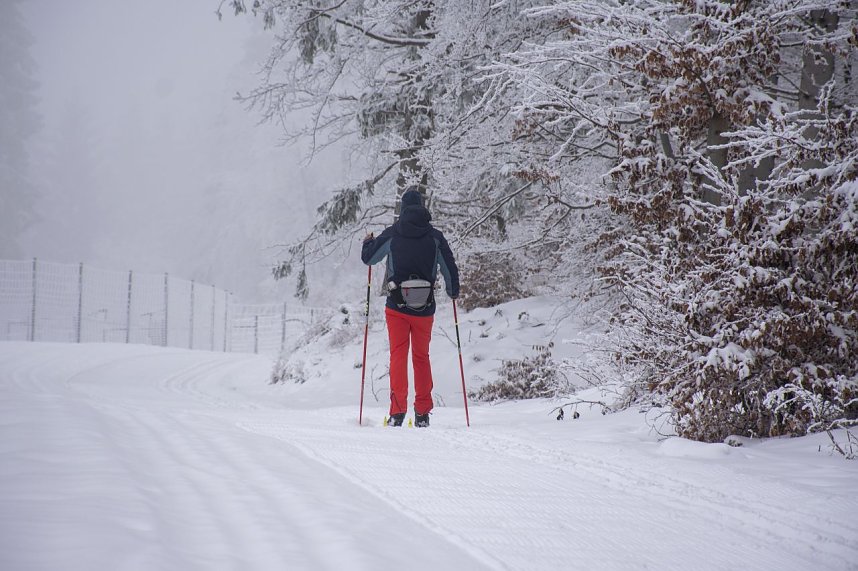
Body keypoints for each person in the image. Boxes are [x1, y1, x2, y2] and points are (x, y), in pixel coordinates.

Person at [361, 187, 459, 427]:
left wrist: (368, 243)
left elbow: (369, 259)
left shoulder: (393, 233)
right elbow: (449, 267)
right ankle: (423, 413)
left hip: (396, 306)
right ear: (422, 207)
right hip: (425, 308)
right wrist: (452, 290)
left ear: (403, 209)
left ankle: (397, 413)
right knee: (421, 357)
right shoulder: (435, 236)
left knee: (398, 356)